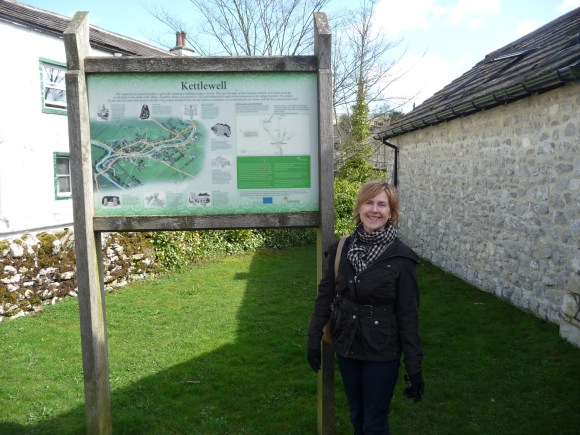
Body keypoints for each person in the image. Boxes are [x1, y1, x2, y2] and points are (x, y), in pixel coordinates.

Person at [307, 180, 424, 435]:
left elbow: (409, 317)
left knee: (374, 423)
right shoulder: (343, 248)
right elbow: (325, 296)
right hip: (347, 344)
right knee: (357, 416)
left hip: (382, 349)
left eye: (382, 204)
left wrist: (414, 366)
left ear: (391, 212)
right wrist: (313, 338)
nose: (374, 210)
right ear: (359, 208)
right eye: (368, 202)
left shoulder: (401, 259)